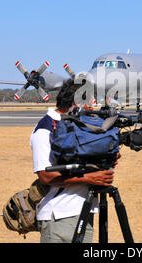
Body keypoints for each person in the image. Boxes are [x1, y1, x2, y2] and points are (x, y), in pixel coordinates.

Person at [31, 79, 118, 243]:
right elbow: (45, 176)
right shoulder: (45, 129)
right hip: (58, 216)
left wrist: (107, 158)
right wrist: (88, 179)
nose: (92, 108)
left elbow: (85, 164)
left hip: (84, 210)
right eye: (89, 103)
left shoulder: (78, 126)